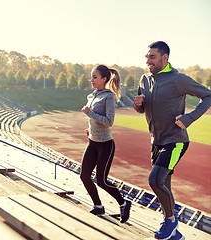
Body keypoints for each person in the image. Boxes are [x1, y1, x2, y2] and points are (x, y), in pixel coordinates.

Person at [134, 41, 211, 240]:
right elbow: (143, 108)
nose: (147, 60)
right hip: (155, 141)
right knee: (164, 185)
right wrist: (138, 105)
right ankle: (174, 233)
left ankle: (170, 221)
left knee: (155, 180)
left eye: (152, 56)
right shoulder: (144, 79)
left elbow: (208, 96)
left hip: (175, 140)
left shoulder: (178, 80)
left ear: (164, 58)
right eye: (147, 56)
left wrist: (189, 118)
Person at [80, 64, 131, 223]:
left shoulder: (109, 97)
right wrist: (90, 129)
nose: (92, 80)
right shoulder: (91, 96)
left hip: (105, 145)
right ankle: (98, 206)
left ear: (104, 79)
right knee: (84, 176)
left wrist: (90, 113)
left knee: (101, 180)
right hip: (92, 142)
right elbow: (93, 120)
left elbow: (109, 121)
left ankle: (123, 203)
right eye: (91, 77)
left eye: (95, 77)